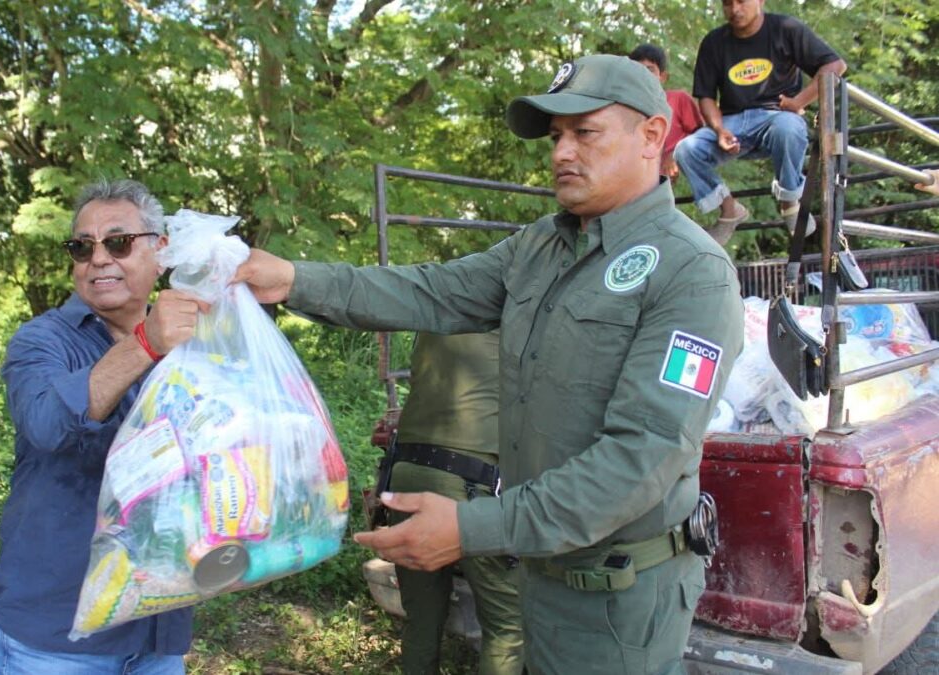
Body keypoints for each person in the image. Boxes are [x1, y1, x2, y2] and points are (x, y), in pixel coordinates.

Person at [232, 54, 744, 674]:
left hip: (619, 603)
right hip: (537, 571)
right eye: (556, 136)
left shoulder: (692, 273)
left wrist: (472, 528)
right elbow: (427, 292)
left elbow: (640, 462)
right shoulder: (541, 248)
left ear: (653, 136)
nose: (561, 153)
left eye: (585, 132)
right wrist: (291, 279)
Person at [0, 179, 209, 674]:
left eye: (118, 242)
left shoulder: (197, 344)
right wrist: (146, 343)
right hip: (53, 640)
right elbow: (46, 424)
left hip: (157, 631)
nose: (98, 258)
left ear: (160, 251)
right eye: (83, 247)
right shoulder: (39, 341)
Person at [387, 331, 523, 675]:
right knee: (508, 624)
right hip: (468, 481)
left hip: (407, 475)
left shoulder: (438, 311)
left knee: (422, 619)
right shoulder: (516, 314)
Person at [673, 0, 847, 245]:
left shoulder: (786, 28)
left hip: (776, 117)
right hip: (732, 122)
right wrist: (719, 129)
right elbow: (706, 96)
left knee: (788, 128)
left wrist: (799, 101)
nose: (734, 10)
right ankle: (730, 210)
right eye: (727, 4)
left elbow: (835, 65)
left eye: (741, 2)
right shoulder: (714, 42)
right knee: (686, 150)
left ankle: (789, 202)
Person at [628, 44, 704, 181]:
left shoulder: (678, 99)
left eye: (649, 70)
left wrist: (674, 154)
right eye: (637, 70)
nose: (643, 75)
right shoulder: (626, 108)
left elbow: (700, 136)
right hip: (636, 178)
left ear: (662, 77)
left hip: (668, 174)